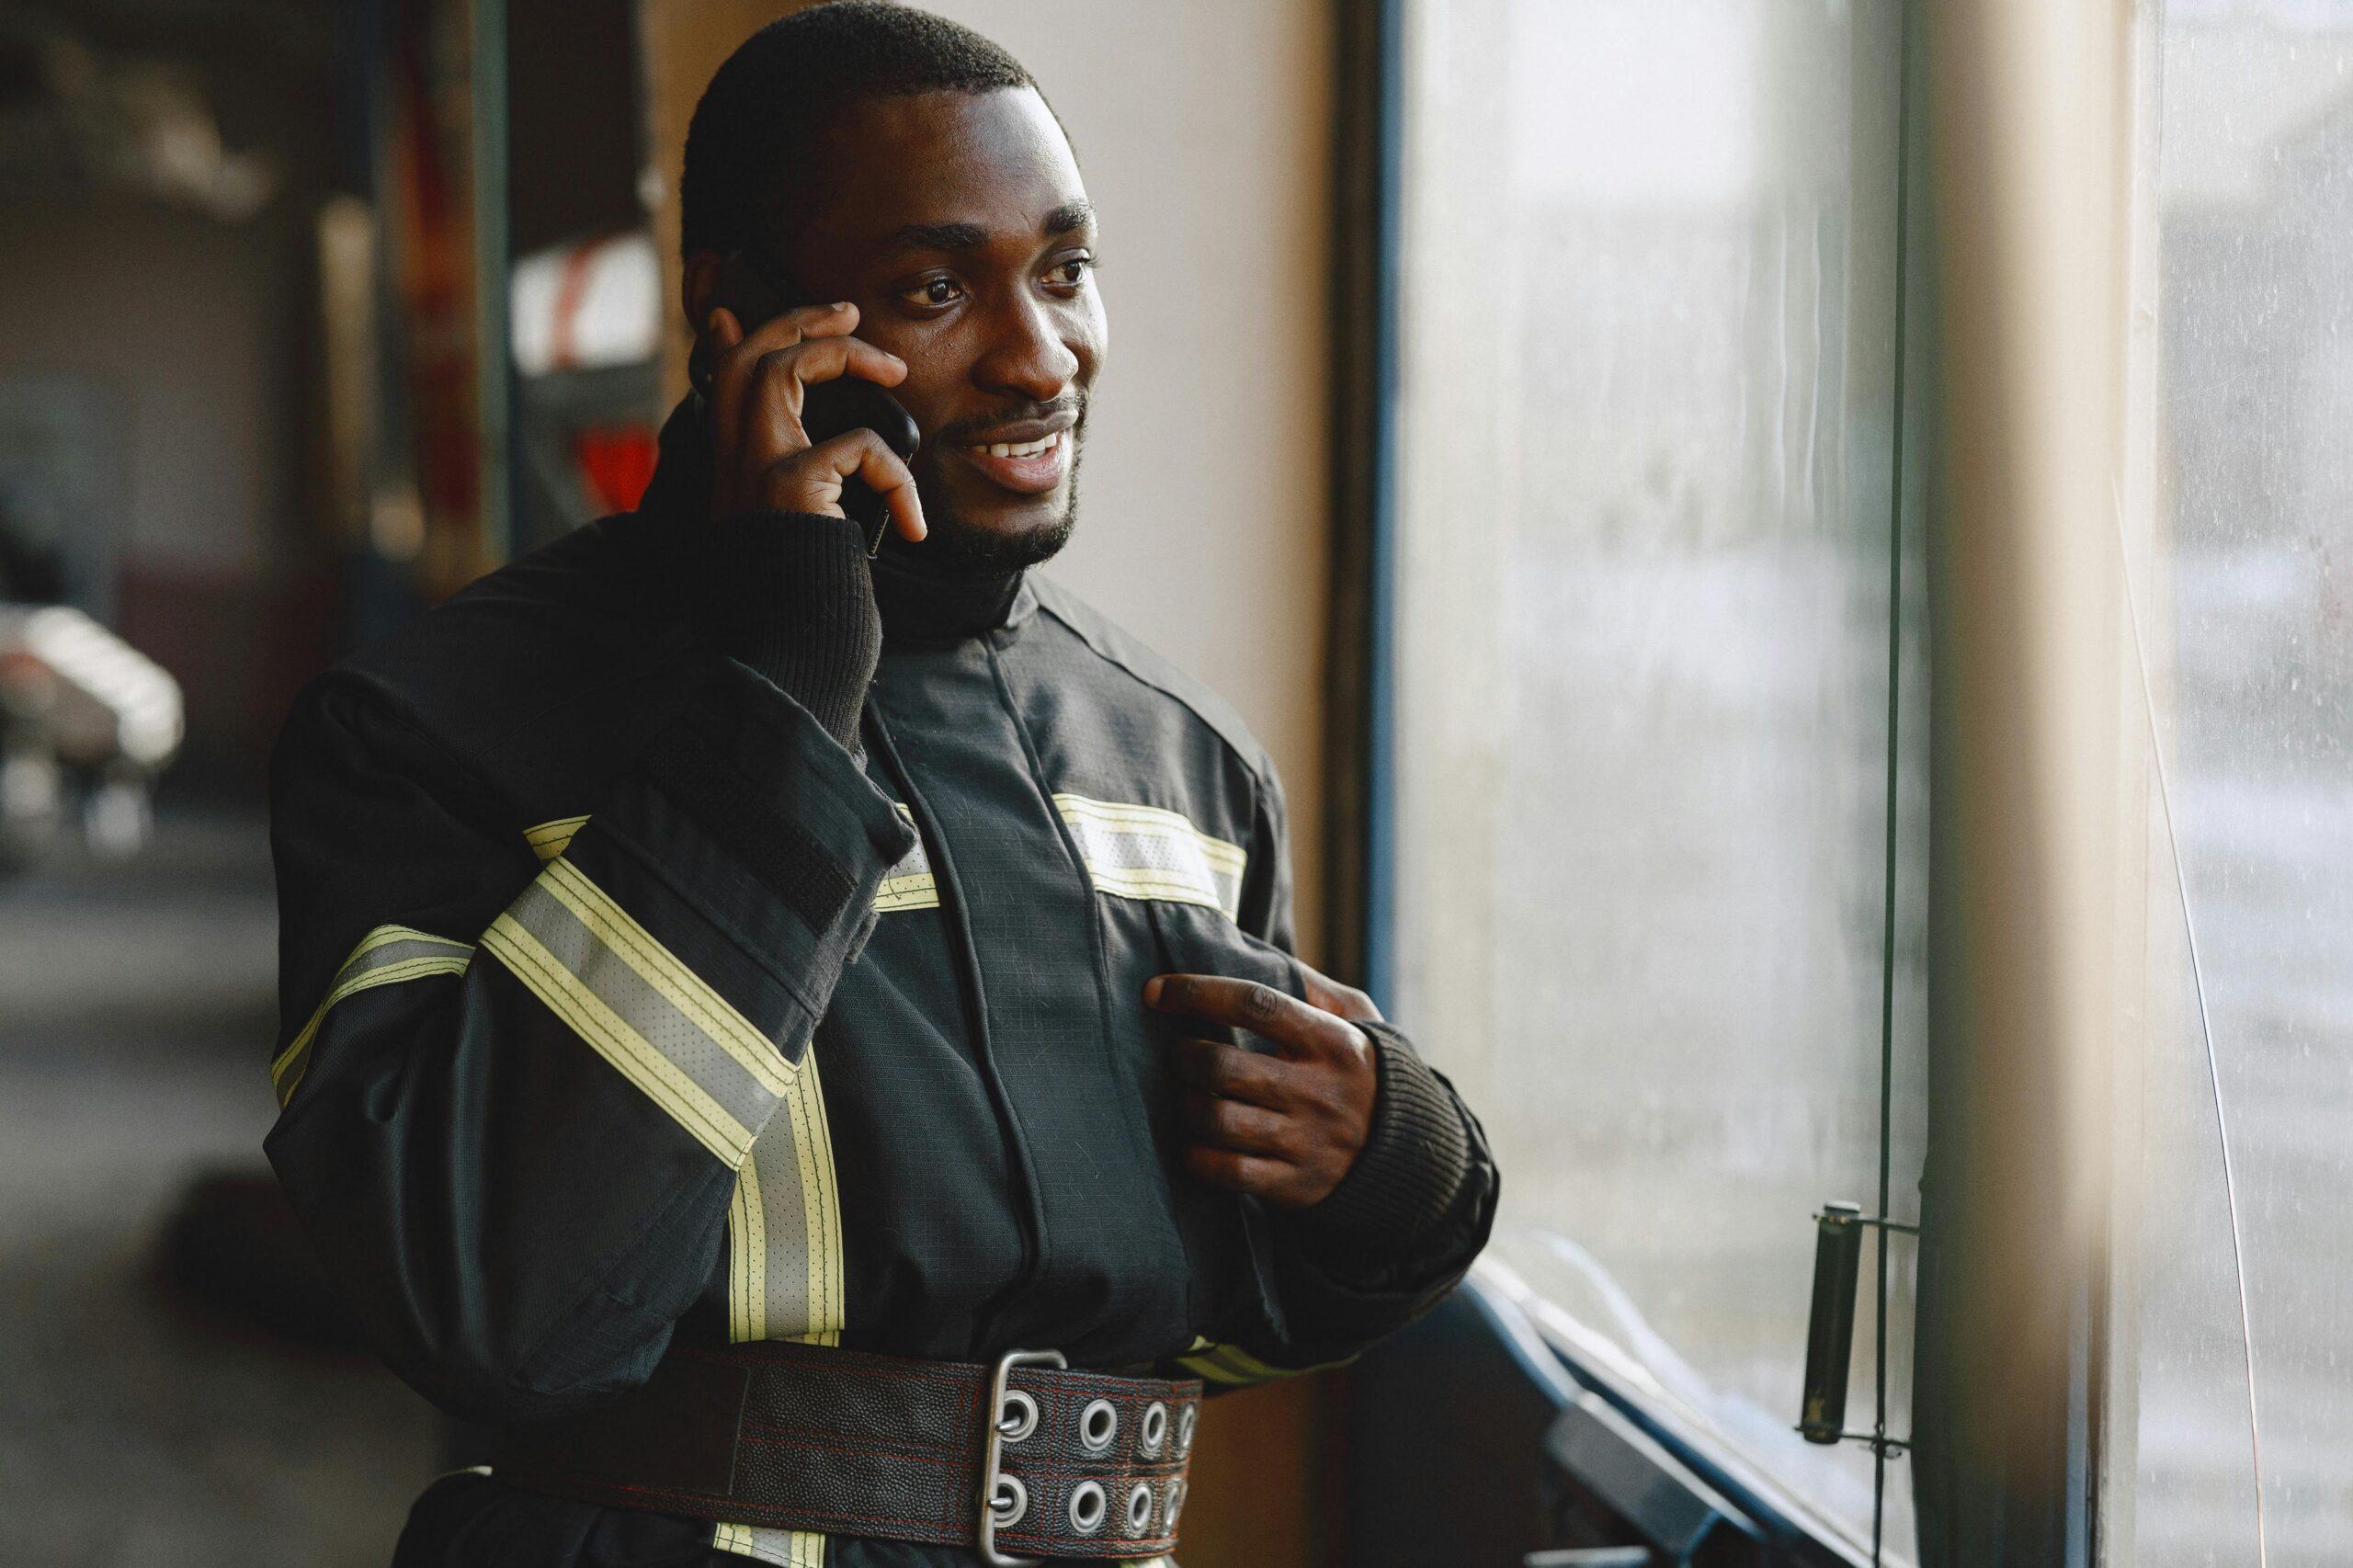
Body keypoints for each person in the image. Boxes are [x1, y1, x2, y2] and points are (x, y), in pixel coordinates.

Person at [264, 6, 1495, 1564]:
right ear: (738, 322)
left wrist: (1393, 1170)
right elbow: (491, 1310)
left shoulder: (1182, 757)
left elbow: (1175, 1324)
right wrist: (782, 702)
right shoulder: (434, 726)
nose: (1042, 353)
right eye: (935, 287)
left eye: (1063, 268)